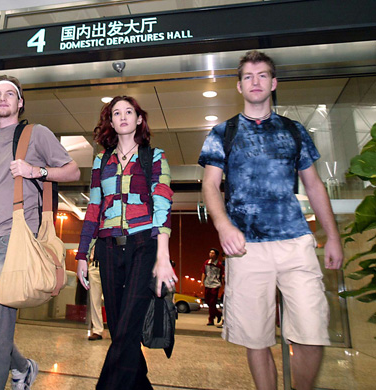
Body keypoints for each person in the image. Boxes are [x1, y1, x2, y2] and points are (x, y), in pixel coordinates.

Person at [199, 50, 343, 390]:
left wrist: (332, 236)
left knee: (312, 331)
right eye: (248, 76)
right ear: (239, 86)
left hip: (295, 241)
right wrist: (224, 225)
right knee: (256, 337)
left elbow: (314, 185)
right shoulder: (224, 132)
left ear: (273, 83)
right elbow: (209, 185)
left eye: (262, 75)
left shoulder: (294, 131)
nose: (255, 81)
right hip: (247, 249)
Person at [0, 75, 80, 390]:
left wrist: (35, 171)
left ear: (20, 102)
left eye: (9, 93)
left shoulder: (35, 134)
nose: (2, 99)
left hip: (14, 243)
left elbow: (73, 170)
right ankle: (23, 367)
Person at [76, 95, 175, 390]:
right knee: (121, 328)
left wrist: (163, 255)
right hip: (107, 248)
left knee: (127, 326)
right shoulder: (101, 161)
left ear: (139, 119)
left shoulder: (155, 157)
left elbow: (163, 207)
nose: (122, 117)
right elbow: (94, 207)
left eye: (128, 112)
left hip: (143, 245)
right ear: (110, 121)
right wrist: (83, 253)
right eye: (115, 113)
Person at [200, 248, 224, 326]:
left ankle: (211, 319)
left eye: (213, 253)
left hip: (215, 284)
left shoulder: (219, 265)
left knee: (212, 302)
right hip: (207, 283)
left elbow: (222, 275)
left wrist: (223, 283)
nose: (211, 254)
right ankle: (218, 314)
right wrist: (202, 282)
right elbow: (204, 272)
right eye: (210, 253)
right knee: (207, 301)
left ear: (216, 255)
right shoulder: (207, 263)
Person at [87, 245, 104, 341]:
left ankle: (117, 329)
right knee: (94, 300)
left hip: (110, 265)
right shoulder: (91, 231)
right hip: (94, 266)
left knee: (113, 300)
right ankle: (97, 330)